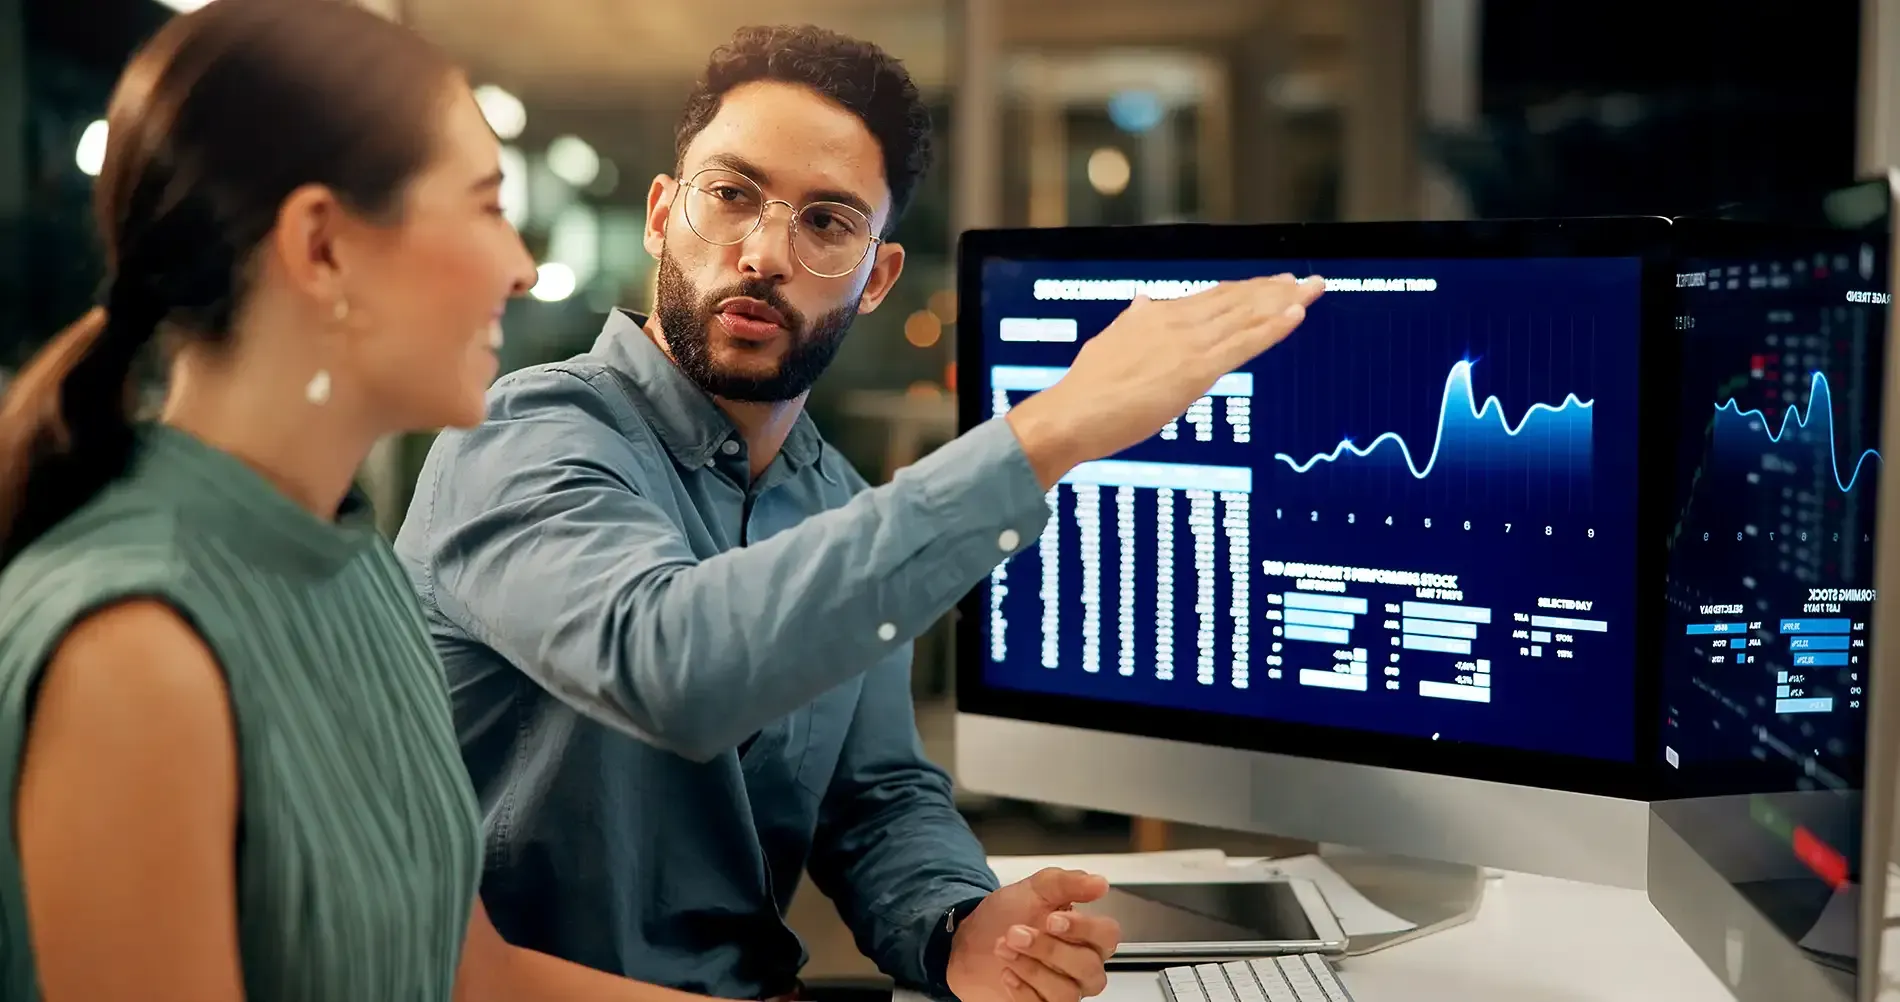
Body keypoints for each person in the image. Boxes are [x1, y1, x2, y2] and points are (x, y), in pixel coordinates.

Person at [394, 23, 1324, 1002]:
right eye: (731, 196)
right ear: (663, 215)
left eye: (827, 223)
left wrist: (961, 921)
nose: (763, 254)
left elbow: (875, 797)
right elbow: (668, 658)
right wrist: (1050, 430)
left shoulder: (834, 501)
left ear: (877, 276)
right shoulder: (521, 435)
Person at [0, 3, 791, 1001]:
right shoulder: (135, 650)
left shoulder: (352, 566)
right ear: (323, 248)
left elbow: (474, 978)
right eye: (484, 204)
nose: (517, 264)